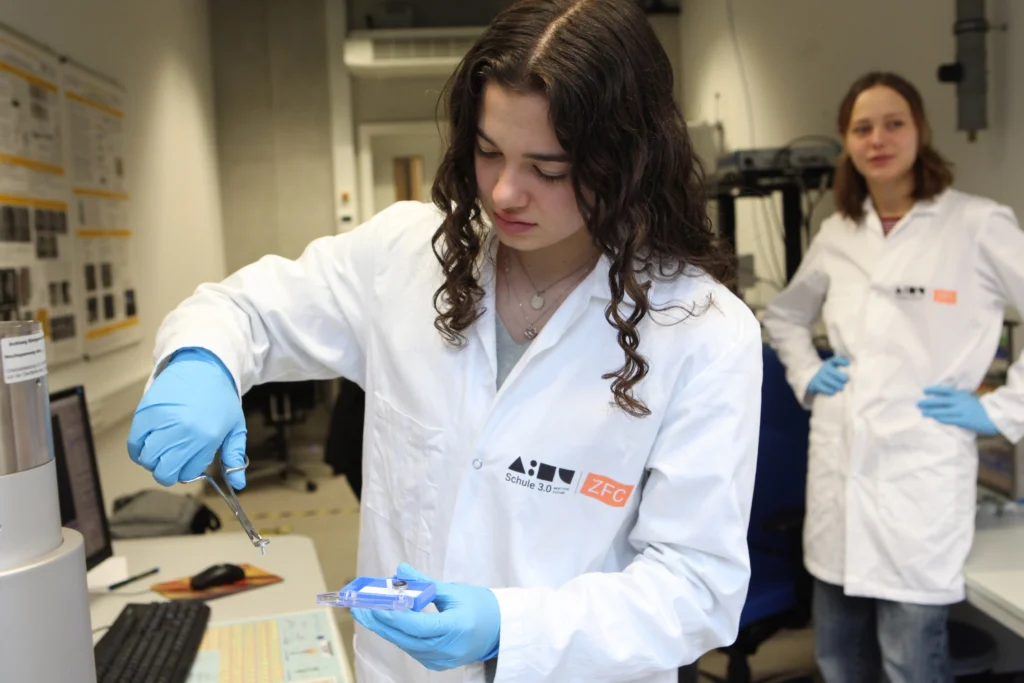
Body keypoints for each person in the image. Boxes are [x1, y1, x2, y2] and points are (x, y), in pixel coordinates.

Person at [126, 1, 763, 681]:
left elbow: (695, 588)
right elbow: (245, 309)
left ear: (627, 161)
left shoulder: (702, 330)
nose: (505, 192)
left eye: (548, 169)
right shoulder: (405, 255)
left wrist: (509, 628)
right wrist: (201, 362)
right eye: (489, 153)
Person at [763, 71, 1024, 683]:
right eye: (862, 128)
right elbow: (784, 315)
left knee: (912, 662)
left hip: (920, 476)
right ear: (846, 142)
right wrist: (808, 372)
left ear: (920, 130)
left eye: (893, 124)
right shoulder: (838, 232)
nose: (877, 139)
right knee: (837, 659)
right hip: (840, 475)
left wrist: (1001, 409)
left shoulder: (976, 224)